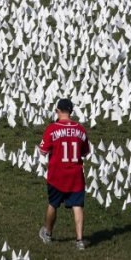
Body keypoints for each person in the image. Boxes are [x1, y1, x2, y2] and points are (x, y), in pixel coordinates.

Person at [38, 98, 90, 250]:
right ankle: (79, 240)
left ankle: (47, 233)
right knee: (77, 206)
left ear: (58, 111)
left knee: (53, 204)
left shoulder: (52, 129)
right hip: (75, 175)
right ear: (71, 111)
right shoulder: (80, 129)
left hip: (57, 175)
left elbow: (43, 150)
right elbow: (85, 152)